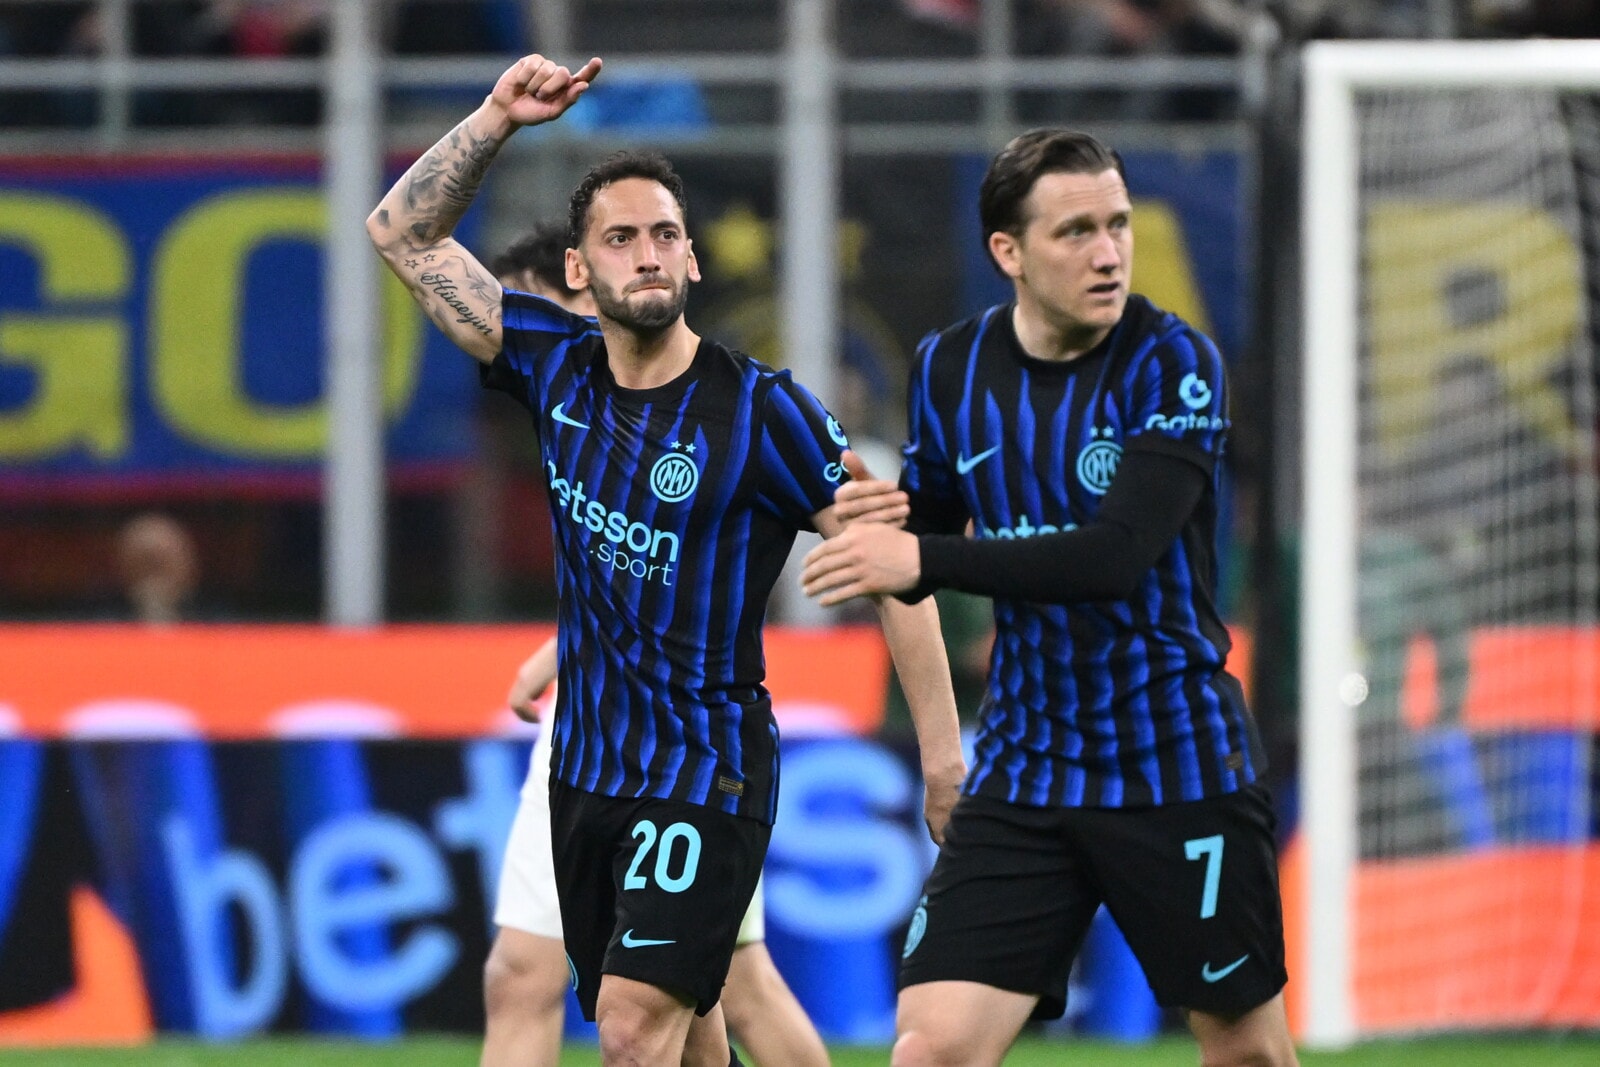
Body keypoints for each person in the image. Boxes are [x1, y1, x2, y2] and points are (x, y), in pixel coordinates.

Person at [367, 53, 965, 1067]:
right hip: (586, 767)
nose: (646, 254)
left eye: (665, 235)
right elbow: (400, 232)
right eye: (620, 238)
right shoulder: (549, 363)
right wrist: (496, 118)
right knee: (688, 1035)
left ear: (691, 261)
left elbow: (895, 569)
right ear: (579, 271)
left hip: (705, 769)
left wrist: (942, 758)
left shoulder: (764, 411)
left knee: (634, 1026)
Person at [799, 129, 1298, 1067]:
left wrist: (918, 553)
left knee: (1247, 1052)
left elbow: (1115, 557)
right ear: (1009, 251)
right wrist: (942, 746)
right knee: (932, 1048)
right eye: (1076, 231)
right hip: (1027, 768)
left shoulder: (1175, 363)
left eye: (1118, 224)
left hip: (1175, 762)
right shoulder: (951, 367)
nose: (1108, 252)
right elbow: (917, 558)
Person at [480, 224, 829, 1067]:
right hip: (587, 737)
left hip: (691, 750)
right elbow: (613, 574)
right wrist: (560, 651)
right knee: (539, 978)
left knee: (722, 991)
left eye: (532, 308)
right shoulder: (572, 404)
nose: (521, 331)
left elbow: (675, 584)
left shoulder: (723, 409)